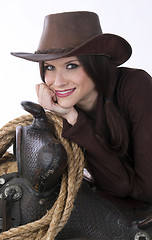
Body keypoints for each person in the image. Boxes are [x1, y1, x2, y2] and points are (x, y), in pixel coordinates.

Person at [11, 11, 152, 203]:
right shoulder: (64, 113)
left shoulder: (136, 86)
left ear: (95, 64)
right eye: (50, 67)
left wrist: (77, 125)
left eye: (71, 66)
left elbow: (142, 190)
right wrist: (71, 117)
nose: (58, 82)